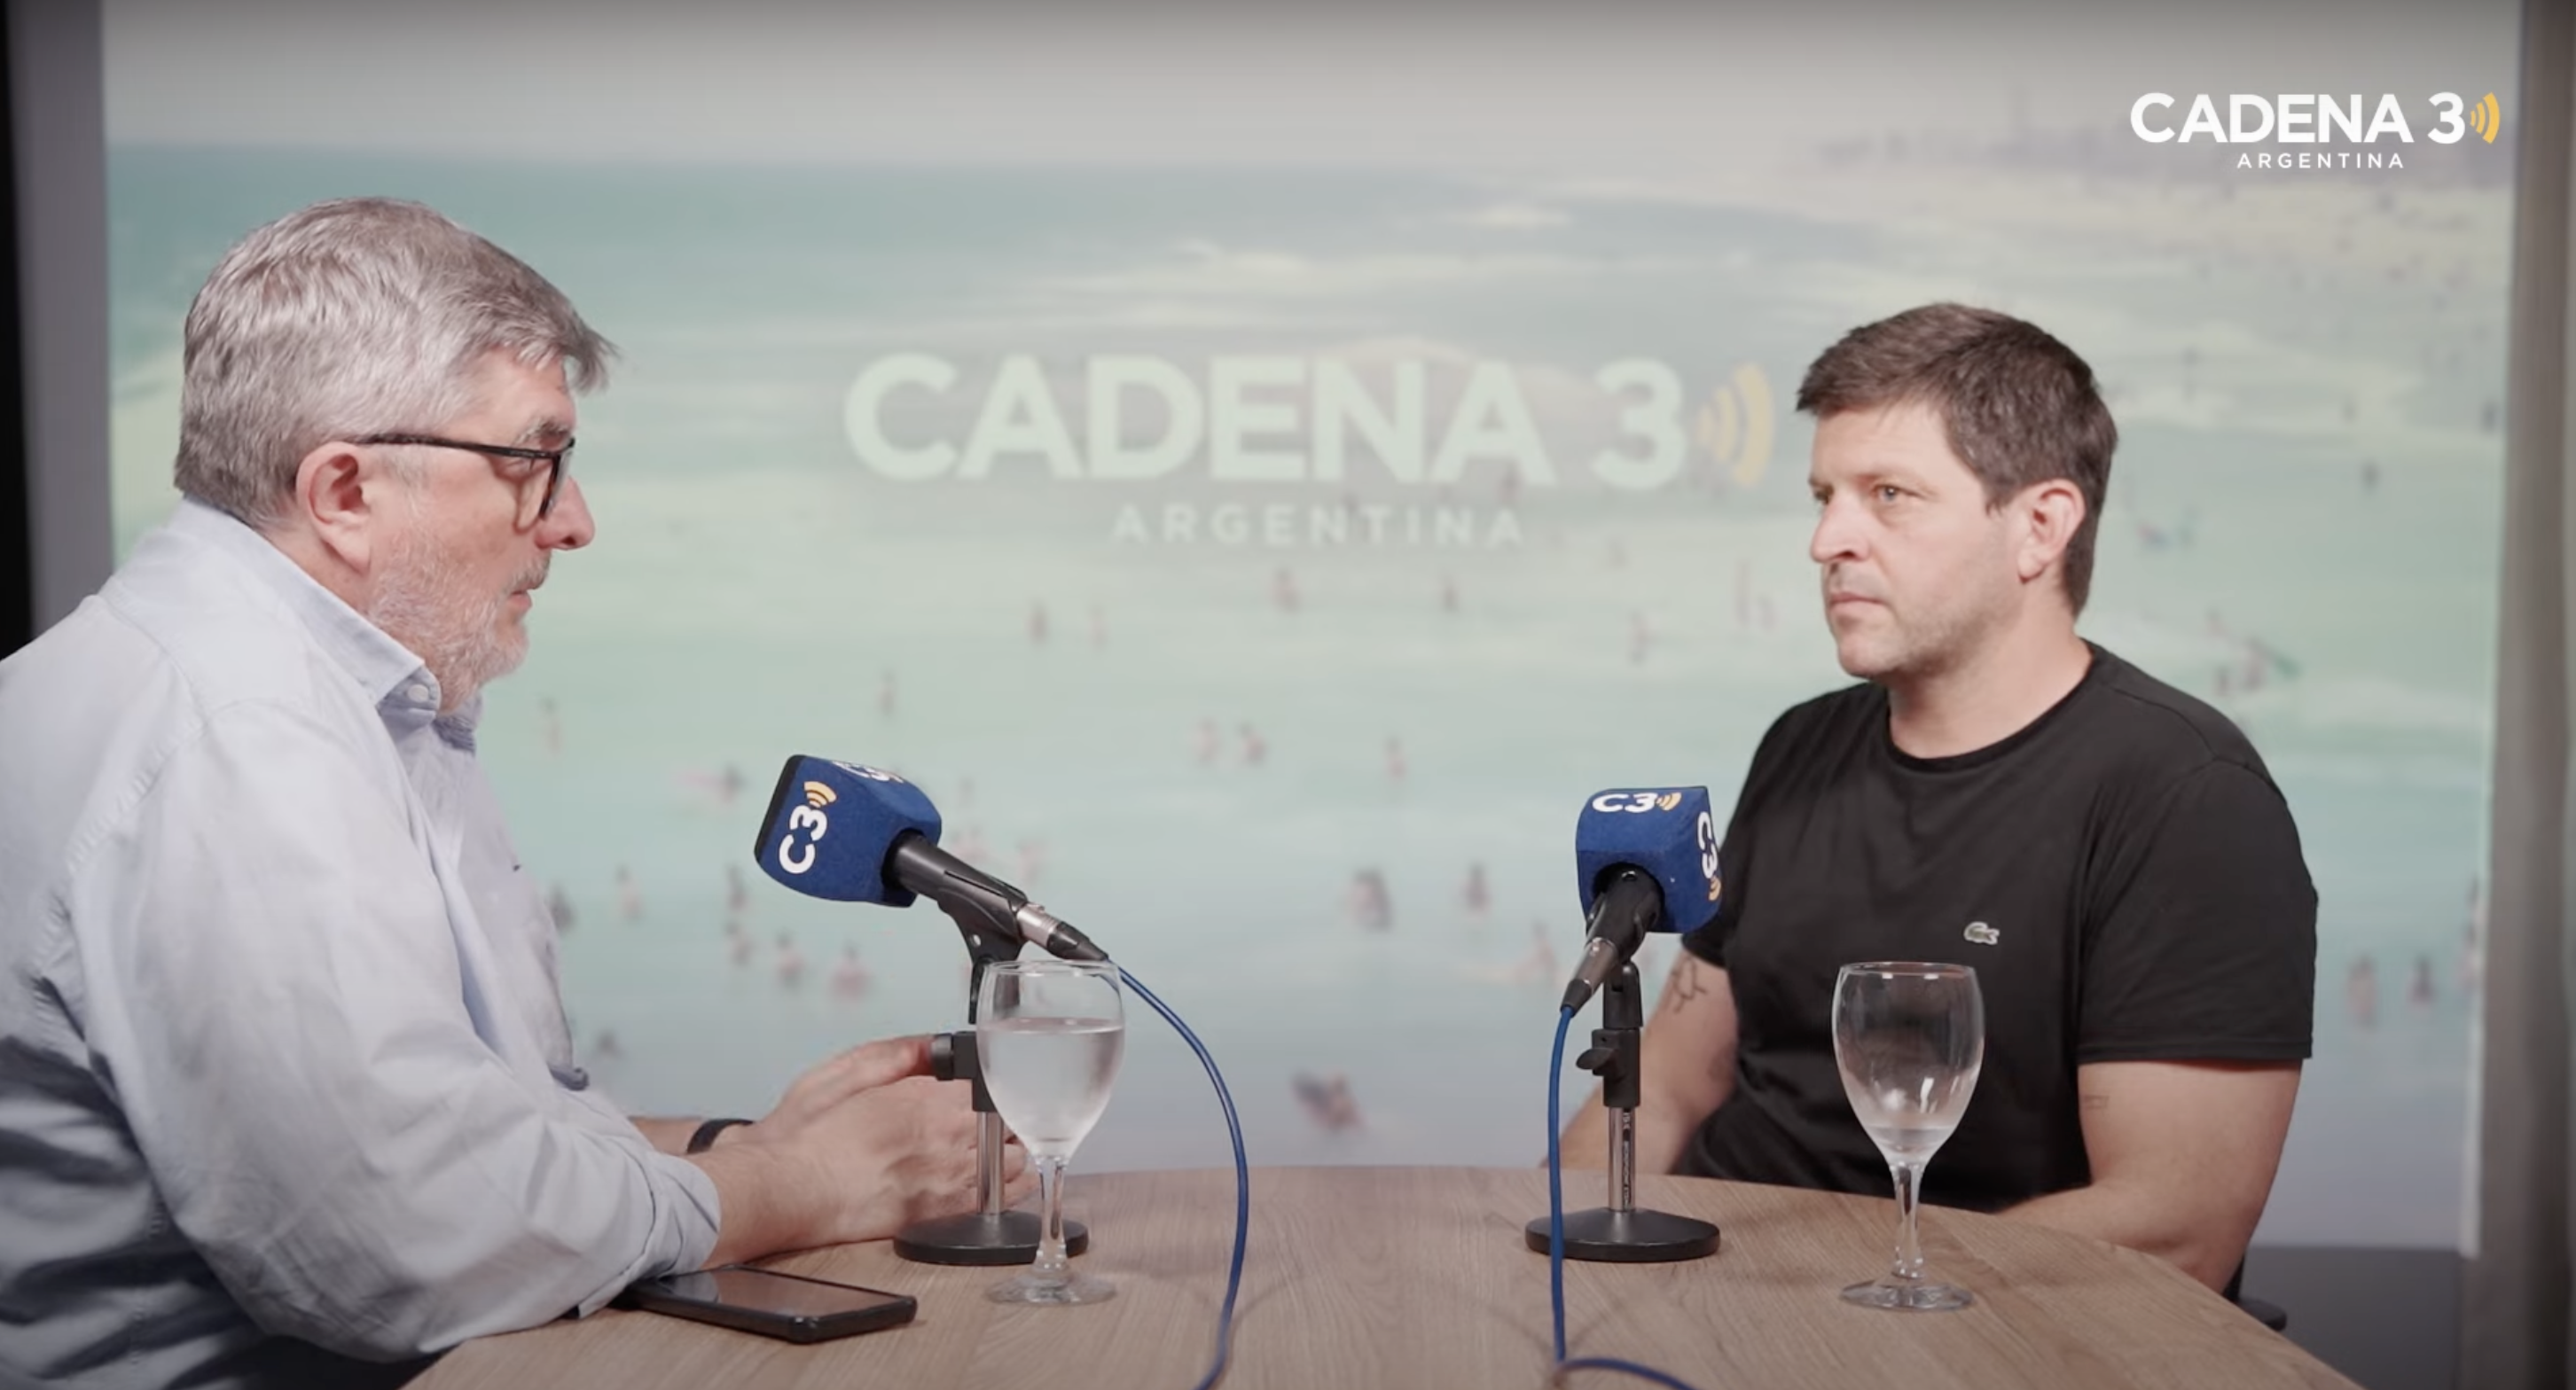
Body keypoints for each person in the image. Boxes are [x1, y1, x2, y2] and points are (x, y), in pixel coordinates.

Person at [0, 199, 1023, 1389]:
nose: (575, 521)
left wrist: (746, 1146)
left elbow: (477, 1128)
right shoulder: (236, 741)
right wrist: (807, 1182)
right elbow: (416, 1244)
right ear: (344, 492)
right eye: (531, 463)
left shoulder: (309, 689)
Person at [1560, 303, 2315, 1293]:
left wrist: (1836, 1300)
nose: (1827, 539)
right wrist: (1567, 1258)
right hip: (1713, 1296)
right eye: (1825, 495)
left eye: (1889, 495)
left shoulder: (2185, 798)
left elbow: (2176, 1225)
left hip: (1957, 1322)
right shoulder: (1797, 746)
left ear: (2039, 526)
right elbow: (1666, 1081)